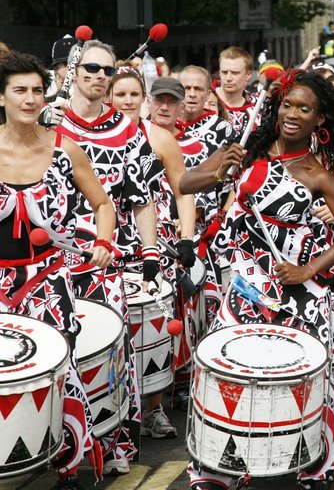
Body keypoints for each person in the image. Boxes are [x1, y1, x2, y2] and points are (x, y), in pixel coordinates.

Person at [180, 70, 334, 490]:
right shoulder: (247, 150)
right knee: (225, 365)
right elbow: (185, 181)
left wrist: (309, 269)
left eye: (305, 109)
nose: (293, 114)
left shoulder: (316, 173)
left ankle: (312, 466)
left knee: (308, 375)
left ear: (318, 120)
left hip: (298, 291)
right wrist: (221, 172)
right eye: (288, 105)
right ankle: (214, 466)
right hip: (248, 284)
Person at [0, 51, 115, 490]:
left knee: (57, 371)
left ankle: (68, 466)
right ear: (2, 97)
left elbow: (103, 204)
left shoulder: (64, 146)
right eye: (20, 91)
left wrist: (103, 242)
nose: (30, 100)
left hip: (48, 280)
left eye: (36, 90)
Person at [54, 39, 157, 476]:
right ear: (74, 70)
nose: (100, 76)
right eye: (92, 67)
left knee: (111, 350)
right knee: (59, 353)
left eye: (108, 71)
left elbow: (142, 198)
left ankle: (114, 443)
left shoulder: (128, 130)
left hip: (105, 258)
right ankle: (61, 447)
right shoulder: (48, 122)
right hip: (51, 260)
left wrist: (150, 254)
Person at [108, 72, 198, 437]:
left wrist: (187, 238)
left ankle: (154, 409)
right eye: (121, 94)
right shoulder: (86, 138)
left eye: (134, 94)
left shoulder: (160, 138)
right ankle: (111, 414)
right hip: (103, 245)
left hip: (150, 243)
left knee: (157, 327)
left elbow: (183, 192)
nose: (127, 101)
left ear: (144, 98)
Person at [214, 46, 257, 136]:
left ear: (248, 75)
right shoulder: (205, 100)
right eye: (224, 72)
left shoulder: (257, 107)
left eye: (235, 73)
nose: (228, 78)